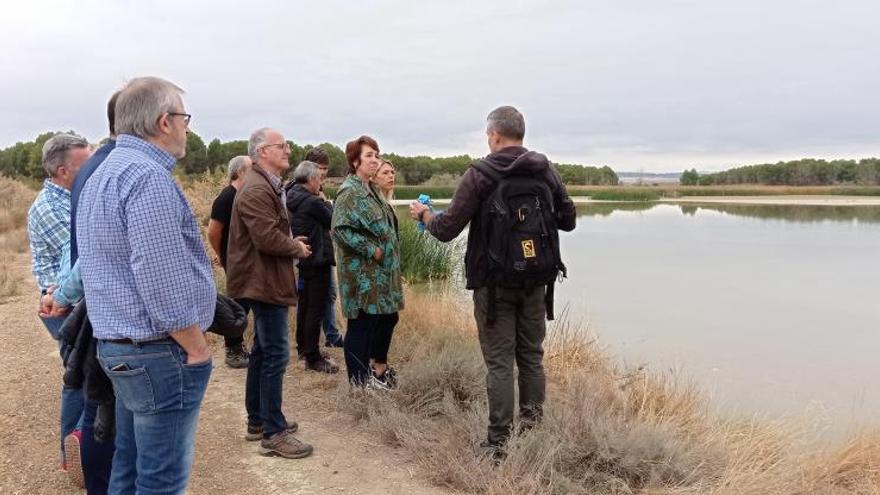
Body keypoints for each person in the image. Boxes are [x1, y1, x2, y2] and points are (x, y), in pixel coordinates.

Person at [409, 106, 577, 456]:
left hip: (494, 284)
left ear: (495, 135)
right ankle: (532, 431)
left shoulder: (481, 174)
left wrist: (425, 215)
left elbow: (446, 230)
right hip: (536, 283)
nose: (488, 140)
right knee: (531, 357)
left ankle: (498, 443)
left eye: (489, 136)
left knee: (500, 361)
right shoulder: (545, 171)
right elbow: (568, 220)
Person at [77, 76, 216, 493]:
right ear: (163, 121)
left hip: (120, 345)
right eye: (184, 118)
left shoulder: (103, 173)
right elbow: (159, 276)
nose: (187, 127)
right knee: (161, 479)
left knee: (129, 464)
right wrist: (195, 345)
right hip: (156, 351)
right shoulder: (146, 177)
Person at [226, 127, 314, 459]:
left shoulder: (264, 185)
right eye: (282, 146)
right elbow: (266, 238)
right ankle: (273, 433)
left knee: (263, 351)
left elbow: (268, 232)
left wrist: (291, 243)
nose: (288, 150)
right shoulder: (255, 189)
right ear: (263, 152)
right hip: (262, 283)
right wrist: (296, 247)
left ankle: (259, 421)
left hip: (263, 280)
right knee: (275, 353)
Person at [26, 132, 91, 472]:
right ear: (64, 171)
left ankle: (84, 444)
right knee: (78, 377)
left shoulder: (70, 198)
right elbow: (84, 252)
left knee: (83, 374)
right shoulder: (51, 208)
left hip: (70, 302)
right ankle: (74, 450)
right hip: (63, 306)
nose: (92, 170)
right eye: (84, 165)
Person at [331, 136, 403, 386]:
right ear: (355, 161)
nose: (375, 159)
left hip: (377, 275)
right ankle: (359, 384)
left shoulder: (369, 189)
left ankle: (369, 376)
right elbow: (340, 230)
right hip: (360, 275)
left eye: (377, 154)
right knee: (360, 326)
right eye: (369, 155)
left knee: (374, 322)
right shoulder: (350, 191)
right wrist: (373, 250)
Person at [285, 161, 339, 373]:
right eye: (318, 179)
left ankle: (304, 348)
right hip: (317, 258)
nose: (320, 183)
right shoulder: (312, 201)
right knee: (315, 308)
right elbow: (333, 220)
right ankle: (313, 357)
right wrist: (326, 202)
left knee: (306, 306)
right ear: (309, 180)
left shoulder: (293, 196)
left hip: (304, 257)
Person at [207, 155, 253, 368]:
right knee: (238, 305)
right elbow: (214, 231)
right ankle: (233, 351)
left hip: (245, 260)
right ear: (240, 172)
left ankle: (241, 347)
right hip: (235, 261)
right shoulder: (227, 197)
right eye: (251, 169)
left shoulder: (244, 195)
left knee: (246, 302)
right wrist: (223, 255)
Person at [303, 147, 344, 348]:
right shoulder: (307, 193)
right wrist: (326, 205)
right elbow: (331, 220)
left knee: (329, 294)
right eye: (320, 168)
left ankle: (329, 335)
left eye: (326, 168)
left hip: (322, 250)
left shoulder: (317, 191)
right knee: (315, 298)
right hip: (311, 253)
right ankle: (325, 338)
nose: (323, 173)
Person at [369, 159, 400, 387]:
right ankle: (377, 367)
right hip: (376, 273)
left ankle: (377, 364)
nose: (391, 175)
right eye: (385, 172)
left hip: (389, 272)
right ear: (373, 176)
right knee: (384, 317)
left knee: (388, 317)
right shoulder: (374, 204)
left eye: (392, 172)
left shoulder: (387, 203)